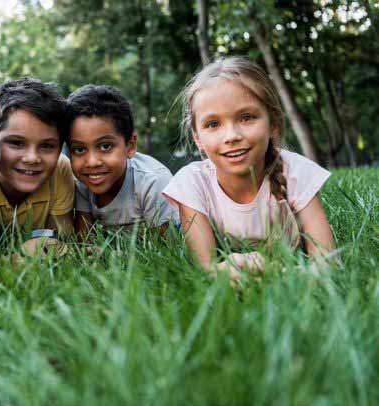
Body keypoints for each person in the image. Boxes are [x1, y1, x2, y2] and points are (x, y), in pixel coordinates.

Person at [162, 56, 335, 280]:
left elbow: (327, 262)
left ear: (272, 123)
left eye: (246, 117)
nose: (232, 136)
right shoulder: (191, 184)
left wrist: (278, 274)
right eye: (213, 124)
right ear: (197, 138)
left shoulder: (296, 172)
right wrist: (230, 268)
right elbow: (204, 269)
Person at [0, 78, 75, 250]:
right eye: (16, 143)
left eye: (47, 146)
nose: (32, 158)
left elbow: (59, 241)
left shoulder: (60, 168)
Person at [65, 84, 178, 235]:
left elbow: (167, 250)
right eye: (79, 149)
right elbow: (84, 242)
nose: (92, 162)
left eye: (105, 146)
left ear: (130, 146)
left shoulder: (153, 183)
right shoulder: (81, 182)